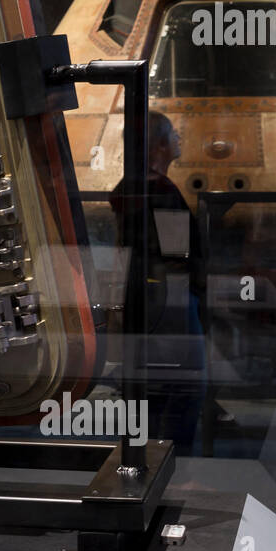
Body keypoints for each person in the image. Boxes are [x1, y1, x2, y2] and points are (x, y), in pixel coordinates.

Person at [109, 112, 207, 451]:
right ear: (161, 145)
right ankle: (178, 463)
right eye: (174, 136)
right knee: (187, 385)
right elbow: (177, 252)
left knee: (146, 388)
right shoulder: (161, 190)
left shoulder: (127, 188)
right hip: (170, 300)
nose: (180, 140)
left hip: (142, 295)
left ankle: (143, 456)